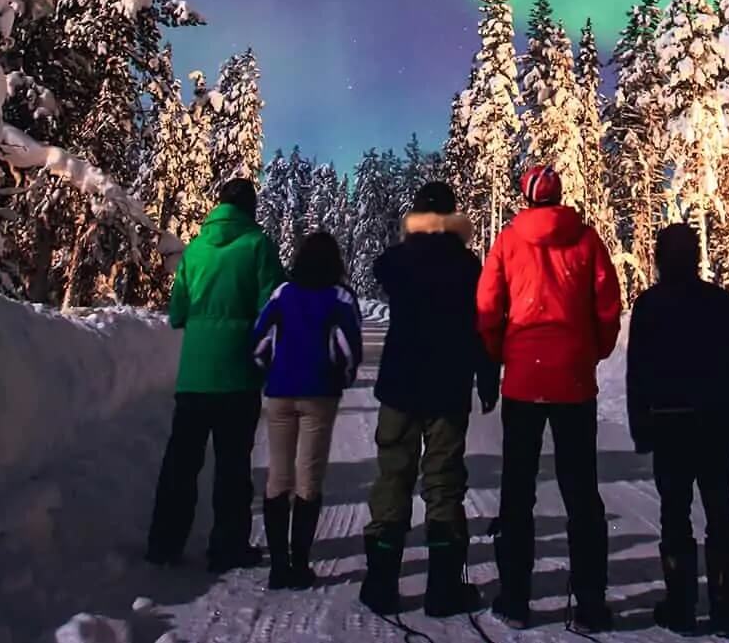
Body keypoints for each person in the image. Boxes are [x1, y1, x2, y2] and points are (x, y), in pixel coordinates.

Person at [476, 163, 621, 631]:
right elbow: (607, 305)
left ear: (526, 196)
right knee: (581, 491)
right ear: (559, 195)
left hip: (523, 380)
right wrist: (590, 352)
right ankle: (591, 604)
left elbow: (488, 307)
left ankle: (515, 599)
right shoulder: (586, 240)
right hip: (573, 381)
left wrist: (504, 354)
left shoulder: (508, 241)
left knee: (517, 491)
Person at [360, 181, 501, 618]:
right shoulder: (467, 265)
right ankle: (442, 590)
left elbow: (380, 267)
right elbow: (482, 326)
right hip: (447, 387)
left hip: (400, 386)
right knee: (443, 484)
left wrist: (413, 237)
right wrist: (486, 378)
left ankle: (381, 584)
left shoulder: (401, 259)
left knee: (393, 478)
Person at [145, 177, 286, 572]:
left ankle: (164, 544)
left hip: (194, 376)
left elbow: (177, 314)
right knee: (232, 466)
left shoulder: (194, 250)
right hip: (238, 375)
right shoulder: (258, 246)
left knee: (181, 462)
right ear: (250, 209)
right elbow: (273, 307)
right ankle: (227, 547)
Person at [627, 223, 729, 636]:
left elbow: (637, 372)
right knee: (719, 513)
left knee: (675, 515)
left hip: (669, 423)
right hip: (712, 423)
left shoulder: (649, 305)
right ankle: (725, 609)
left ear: (659, 257)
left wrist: (640, 424)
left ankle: (680, 606)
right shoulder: (721, 303)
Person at [251, 230, 364, 589]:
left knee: (277, 477)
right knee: (308, 478)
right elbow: (350, 347)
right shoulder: (341, 297)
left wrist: (269, 370)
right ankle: (299, 564)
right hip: (319, 394)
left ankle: (278, 567)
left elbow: (260, 336)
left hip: (280, 392)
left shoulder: (283, 292)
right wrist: (341, 378)